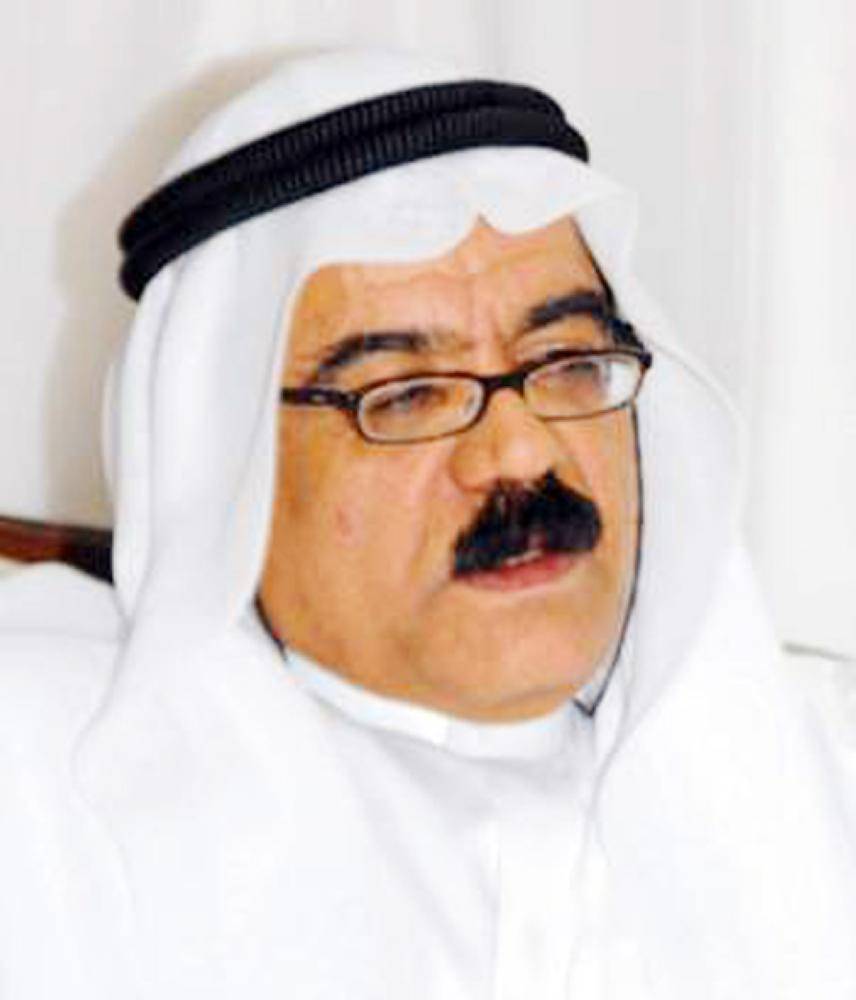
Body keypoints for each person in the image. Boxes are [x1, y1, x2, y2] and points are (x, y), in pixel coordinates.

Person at [1, 46, 855, 1000]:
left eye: (570, 363)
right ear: (225, 463)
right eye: (406, 394)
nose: (521, 452)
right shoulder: (39, 785)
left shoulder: (825, 764)